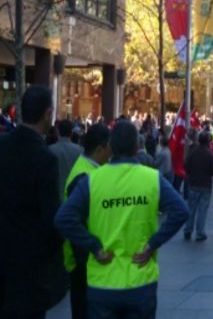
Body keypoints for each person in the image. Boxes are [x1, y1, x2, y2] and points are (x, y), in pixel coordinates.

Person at [55, 119, 189, 318]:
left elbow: (63, 219)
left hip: (103, 282)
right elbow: (181, 211)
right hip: (140, 280)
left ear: (112, 146)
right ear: (137, 147)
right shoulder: (152, 178)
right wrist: (153, 243)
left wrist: (94, 246)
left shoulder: (92, 180)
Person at [0, 86, 68, 317]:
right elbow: (51, 220)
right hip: (29, 269)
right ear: (48, 114)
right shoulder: (45, 159)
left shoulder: (2, 146)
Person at [62, 123, 113, 319]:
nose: (111, 153)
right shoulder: (84, 177)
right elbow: (73, 223)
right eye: (110, 147)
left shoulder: (88, 171)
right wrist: (93, 251)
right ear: (101, 148)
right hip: (84, 264)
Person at [183, 131, 213, 241]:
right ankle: (200, 233)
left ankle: (188, 230)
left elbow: (186, 167)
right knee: (202, 210)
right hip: (205, 186)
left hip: (193, 184)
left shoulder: (193, 152)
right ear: (208, 141)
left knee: (191, 208)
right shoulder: (210, 154)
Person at [50, 118, 85, 200]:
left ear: (57, 131)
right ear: (71, 132)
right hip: (75, 195)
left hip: (55, 195)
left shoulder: (49, 150)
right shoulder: (80, 150)